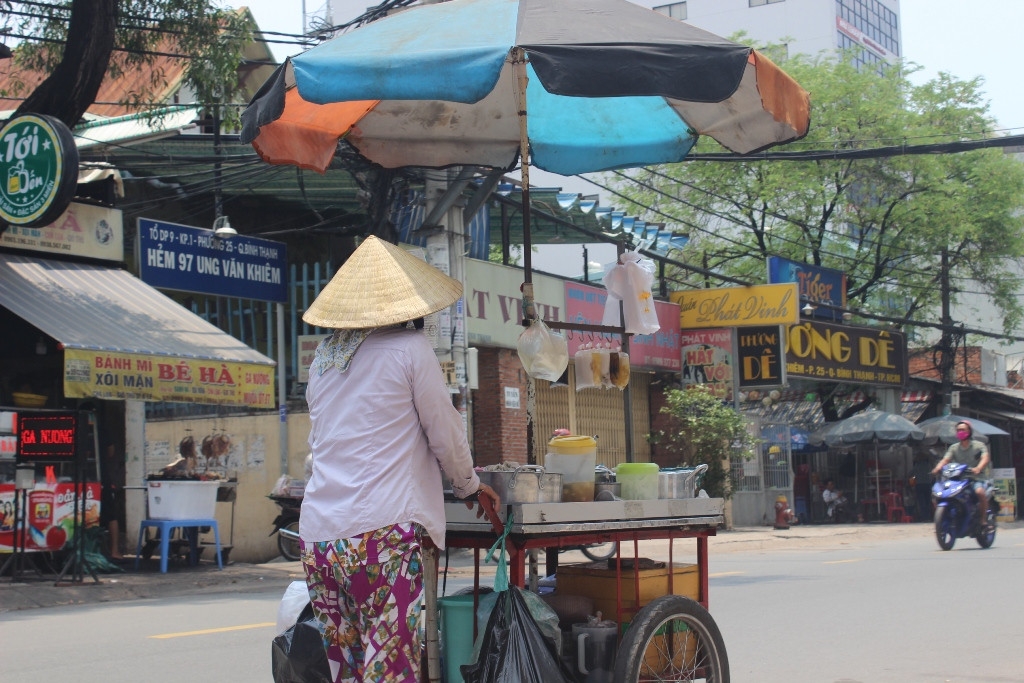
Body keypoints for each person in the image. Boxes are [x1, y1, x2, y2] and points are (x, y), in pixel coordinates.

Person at [299, 236, 500, 683]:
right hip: (379, 538)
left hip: (320, 541)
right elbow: (444, 432)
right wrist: (469, 485)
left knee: (347, 671)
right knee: (388, 669)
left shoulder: (323, 360)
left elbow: (323, 439)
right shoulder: (410, 349)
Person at [931, 420, 991, 531]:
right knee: (940, 494)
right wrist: (937, 468)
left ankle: (983, 520)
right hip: (958, 480)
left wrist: (978, 468)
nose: (960, 432)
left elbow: (985, 458)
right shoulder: (953, 448)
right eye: (958, 430)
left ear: (969, 431)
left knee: (980, 493)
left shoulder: (979, 446)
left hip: (975, 479)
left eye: (963, 430)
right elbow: (945, 460)